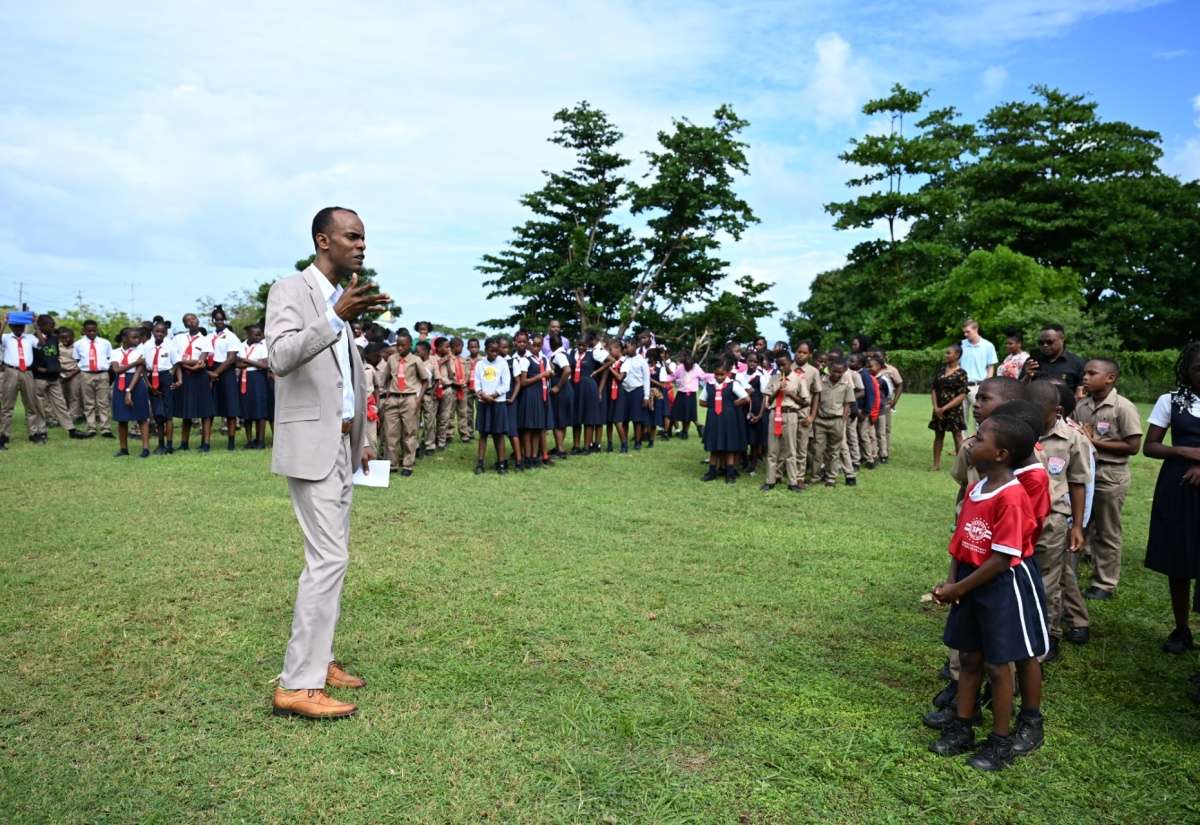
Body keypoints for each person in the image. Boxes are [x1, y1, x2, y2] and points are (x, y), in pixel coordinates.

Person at [268, 206, 386, 720]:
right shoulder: (291, 290)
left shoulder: (342, 301)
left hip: (340, 444)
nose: (361, 245)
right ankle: (297, 684)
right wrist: (333, 316)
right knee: (328, 559)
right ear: (323, 240)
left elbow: (347, 376)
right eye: (352, 237)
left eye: (363, 238)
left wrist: (361, 434)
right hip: (308, 445)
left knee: (334, 559)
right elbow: (279, 357)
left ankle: (322, 658)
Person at [929, 415, 1048, 771]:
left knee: (998, 665)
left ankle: (999, 742)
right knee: (969, 657)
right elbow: (961, 542)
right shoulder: (975, 488)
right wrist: (951, 583)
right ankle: (963, 726)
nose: (970, 441)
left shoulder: (1011, 496)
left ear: (1001, 454)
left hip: (999, 585)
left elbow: (1001, 558)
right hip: (969, 579)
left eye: (978, 438)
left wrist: (958, 587)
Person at [1142, 341, 1200, 658]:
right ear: (1187, 371)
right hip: (1178, 484)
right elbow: (1150, 446)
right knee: (1178, 557)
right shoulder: (1172, 401)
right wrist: (1183, 451)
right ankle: (1182, 627)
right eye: (1198, 368)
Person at [1026, 380, 1092, 656]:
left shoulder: (1073, 438)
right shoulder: (1017, 431)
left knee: (1049, 583)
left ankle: (1047, 635)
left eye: (1039, 417)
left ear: (1058, 410)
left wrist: (1077, 525)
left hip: (1053, 519)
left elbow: (1078, 482)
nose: (1033, 423)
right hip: (1018, 516)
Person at [1074, 358, 1143, 602]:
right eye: (1085, 372)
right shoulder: (1082, 405)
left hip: (1110, 476)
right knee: (1079, 524)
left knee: (1106, 530)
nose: (1085, 377)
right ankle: (1070, 574)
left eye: (1092, 373)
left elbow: (1133, 446)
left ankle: (1104, 583)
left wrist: (1094, 443)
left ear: (1110, 378)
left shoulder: (1122, 407)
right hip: (1084, 475)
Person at [378, 333, 428, 476]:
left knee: (409, 433)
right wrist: (388, 397)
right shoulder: (392, 359)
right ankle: (392, 464)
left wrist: (418, 399)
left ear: (410, 345)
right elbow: (388, 378)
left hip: (409, 399)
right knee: (390, 433)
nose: (399, 348)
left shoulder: (416, 360)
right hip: (393, 399)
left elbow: (425, 380)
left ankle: (407, 465)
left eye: (403, 345)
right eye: (398, 345)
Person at [760, 349, 808, 493]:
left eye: (784, 365)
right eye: (778, 365)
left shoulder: (798, 379)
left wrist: (789, 393)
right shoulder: (774, 378)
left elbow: (804, 401)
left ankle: (793, 482)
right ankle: (770, 480)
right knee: (773, 450)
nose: (781, 368)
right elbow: (768, 399)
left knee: (791, 450)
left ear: (791, 363)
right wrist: (778, 391)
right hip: (775, 414)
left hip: (790, 414)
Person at [0, 311, 48, 447]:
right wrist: (4, 322)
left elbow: (42, 343)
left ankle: (33, 432)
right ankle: (5, 434)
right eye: (16, 326)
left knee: (31, 404)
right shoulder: (6, 337)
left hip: (27, 372)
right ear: (11, 327)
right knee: (7, 405)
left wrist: (36, 325)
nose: (19, 329)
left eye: (21, 326)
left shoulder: (29, 338)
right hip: (12, 371)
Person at [700, 357, 750, 483]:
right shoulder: (709, 385)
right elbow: (701, 401)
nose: (720, 377)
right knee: (714, 445)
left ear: (727, 373)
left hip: (728, 418)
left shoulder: (732, 384)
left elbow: (746, 398)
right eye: (717, 374)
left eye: (722, 374)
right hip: (713, 418)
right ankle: (712, 472)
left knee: (729, 445)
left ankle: (730, 473)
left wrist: (731, 405)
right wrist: (712, 405)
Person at [31, 315, 80, 439]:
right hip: (40, 377)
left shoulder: (53, 338)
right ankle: (41, 431)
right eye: (50, 326)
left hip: (53, 376)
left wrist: (55, 368)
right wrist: (37, 368)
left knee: (61, 403)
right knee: (40, 405)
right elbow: (30, 357)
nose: (53, 328)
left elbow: (55, 356)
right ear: (41, 326)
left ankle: (71, 430)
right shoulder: (33, 338)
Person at [172, 313, 216, 451]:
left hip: (199, 376)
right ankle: (184, 443)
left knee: (205, 410)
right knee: (187, 409)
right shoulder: (178, 338)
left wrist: (183, 362)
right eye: (188, 321)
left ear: (198, 321)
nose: (192, 322)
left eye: (194, 319)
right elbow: (175, 358)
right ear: (185, 325)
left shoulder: (206, 340)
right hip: (183, 375)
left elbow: (201, 361)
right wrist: (189, 366)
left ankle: (206, 443)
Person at [110, 327, 151, 458]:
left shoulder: (142, 350)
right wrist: (135, 362)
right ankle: (123, 449)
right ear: (124, 339)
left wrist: (129, 390)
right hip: (120, 383)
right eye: (134, 337)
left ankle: (145, 448)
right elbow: (116, 370)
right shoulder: (115, 352)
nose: (137, 340)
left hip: (136, 383)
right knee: (122, 418)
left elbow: (139, 371)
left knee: (142, 417)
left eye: (138, 337)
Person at [473, 336, 512, 475]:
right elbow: (476, 382)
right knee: (483, 434)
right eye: (492, 351)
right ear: (486, 350)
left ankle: (501, 463)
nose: (494, 354)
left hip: (498, 402)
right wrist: (482, 394)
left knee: (498, 434)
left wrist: (494, 396)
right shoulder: (480, 364)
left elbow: (506, 384)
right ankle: (480, 463)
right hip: (484, 402)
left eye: (496, 351)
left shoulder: (502, 364)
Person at [814, 358, 854, 488]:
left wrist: (842, 420)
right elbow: (816, 399)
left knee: (834, 451)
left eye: (839, 372)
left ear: (844, 371)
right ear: (829, 369)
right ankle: (816, 476)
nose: (836, 374)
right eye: (834, 371)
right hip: (820, 420)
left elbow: (847, 404)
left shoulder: (847, 385)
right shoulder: (821, 382)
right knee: (817, 450)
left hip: (836, 420)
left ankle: (831, 478)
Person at [207, 306, 243, 451]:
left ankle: (231, 443)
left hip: (225, 371)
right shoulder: (208, 337)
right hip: (210, 370)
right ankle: (206, 442)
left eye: (222, 319)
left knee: (230, 409)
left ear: (225, 320)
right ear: (213, 321)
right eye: (217, 319)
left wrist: (216, 373)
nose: (219, 322)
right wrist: (209, 373)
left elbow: (231, 359)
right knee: (209, 409)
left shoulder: (231, 336)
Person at [929, 344, 968, 471]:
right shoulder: (941, 371)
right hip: (938, 409)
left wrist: (944, 408)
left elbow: (962, 395)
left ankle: (960, 466)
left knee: (957, 436)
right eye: (946, 353)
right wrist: (936, 408)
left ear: (957, 355)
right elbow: (934, 389)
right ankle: (936, 464)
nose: (946, 355)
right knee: (938, 435)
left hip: (954, 409)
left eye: (948, 353)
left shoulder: (961, 373)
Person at [74, 319, 113, 439]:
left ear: (97, 330)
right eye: (89, 331)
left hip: (102, 374)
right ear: (84, 331)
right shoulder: (78, 344)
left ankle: (105, 429)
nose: (92, 333)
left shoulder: (105, 343)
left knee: (103, 402)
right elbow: (77, 359)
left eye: (94, 330)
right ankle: (91, 428)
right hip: (86, 374)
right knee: (88, 402)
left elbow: (109, 358)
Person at [143, 321, 179, 454]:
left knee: (168, 414)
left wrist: (179, 380)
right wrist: (148, 384)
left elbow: (177, 364)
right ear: (152, 331)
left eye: (162, 332)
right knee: (158, 413)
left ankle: (169, 445)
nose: (159, 334)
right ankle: (160, 444)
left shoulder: (170, 345)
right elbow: (142, 367)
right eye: (157, 331)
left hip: (165, 377)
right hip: (152, 378)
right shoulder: (146, 346)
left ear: (166, 333)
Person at [1021, 323, 1086, 395]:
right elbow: (1019, 388)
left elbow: (1081, 393)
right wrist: (1027, 377)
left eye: (1050, 342)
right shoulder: (1032, 362)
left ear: (1062, 338)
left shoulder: (1077, 364)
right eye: (1041, 342)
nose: (1045, 345)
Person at [960, 320, 998, 434]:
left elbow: (991, 366)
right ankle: (962, 445)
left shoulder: (988, 345)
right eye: (964, 332)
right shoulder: (961, 345)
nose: (966, 334)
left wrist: (987, 384)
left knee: (979, 417)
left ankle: (978, 444)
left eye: (968, 332)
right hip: (961, 386)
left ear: (976, 329)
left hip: (978, 385)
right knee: (961, 418)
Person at [237, 324, 271, 450]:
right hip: (245, 378)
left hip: (257, 378)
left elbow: (264, 365)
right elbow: (236, 363)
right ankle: (249, 440)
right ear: (249, 334)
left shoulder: (262, 346)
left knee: (260, 409)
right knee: (246, 409)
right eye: (255, 335)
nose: (258, 337)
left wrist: (246, 360)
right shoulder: (241, 346)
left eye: (260, 334)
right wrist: (255, 362)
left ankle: (260, 441)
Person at [570, 331, 604, 454]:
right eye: (579, 345)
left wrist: (596, 372)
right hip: (575, 387)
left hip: (589, 386)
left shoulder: (594, 354)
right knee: (576, 417)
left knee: (588, 417)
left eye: (584, 345)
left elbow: (610, 360)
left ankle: (586, 447)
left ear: (588, 344)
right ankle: (576, 446)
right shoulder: (572, 353)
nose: (581, 348)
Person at [668, 351, 706, 440]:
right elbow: (673, 376)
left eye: (689, 367)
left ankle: (685, 432)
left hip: (691, 394)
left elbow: (704, 376)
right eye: (686, 367)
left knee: (688, 415)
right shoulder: (680, 367)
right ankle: (668, 430)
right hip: (681, 393)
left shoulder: (696, 368)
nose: (687, 368)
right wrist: (663, 379)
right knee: (675, 413)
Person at [57, 326, 84, 425]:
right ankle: (63, 417)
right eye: (62, 338)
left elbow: (82, 362)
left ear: (73, 337)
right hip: (60, 373)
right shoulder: (58, 346)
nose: (64, 340)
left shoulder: (78, 347)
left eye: (67, 338)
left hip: (74, 373)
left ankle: (73, 417)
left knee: (74, 396)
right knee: (61, 396)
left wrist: (72, 373)